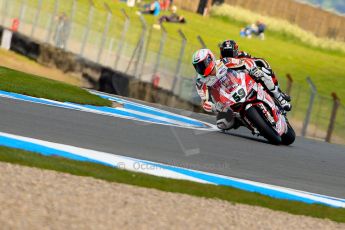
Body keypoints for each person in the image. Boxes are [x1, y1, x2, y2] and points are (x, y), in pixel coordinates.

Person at [218, 39, 291, 111]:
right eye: (226, 53)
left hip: (249, 78)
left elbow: (260, 61)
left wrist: (266, 68)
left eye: (230, 53)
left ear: (236, 50)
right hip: (235, 86)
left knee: (265, 73)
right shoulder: (220, 63)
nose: (228, 57)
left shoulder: (242, 54)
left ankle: (279, 96)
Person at [192, 49, 241, 130]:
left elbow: (243, 63)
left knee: (263, 77)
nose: (200, 68)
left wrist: (252, 69)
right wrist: (214, 107)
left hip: (240, 86)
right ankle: (240, 120)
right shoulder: (200, 81)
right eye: (197, 66)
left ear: (209, 59)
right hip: (226, 105)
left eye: (201, 65)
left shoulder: (224, 62)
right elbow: (204, 102)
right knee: (222, 124)